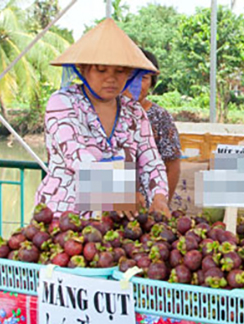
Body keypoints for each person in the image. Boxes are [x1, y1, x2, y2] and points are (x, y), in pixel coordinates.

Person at [35, 19, 170, 218]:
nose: (111, 78)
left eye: (120, 71)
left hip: (116, 222)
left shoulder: (134, 111)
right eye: (101, 70)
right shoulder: (62, 103)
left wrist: (159, 195)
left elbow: (151, 160)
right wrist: (117, 192)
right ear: (83, 69)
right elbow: (78, 157)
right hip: (63, 218)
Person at [136, 49, 182, 204]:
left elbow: (172, 164)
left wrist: (162, 202)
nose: (136, 84)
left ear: (152, 82)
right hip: (109, 207)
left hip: (149, 208)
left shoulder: (159, 117)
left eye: (144, 78)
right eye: (130, 77)